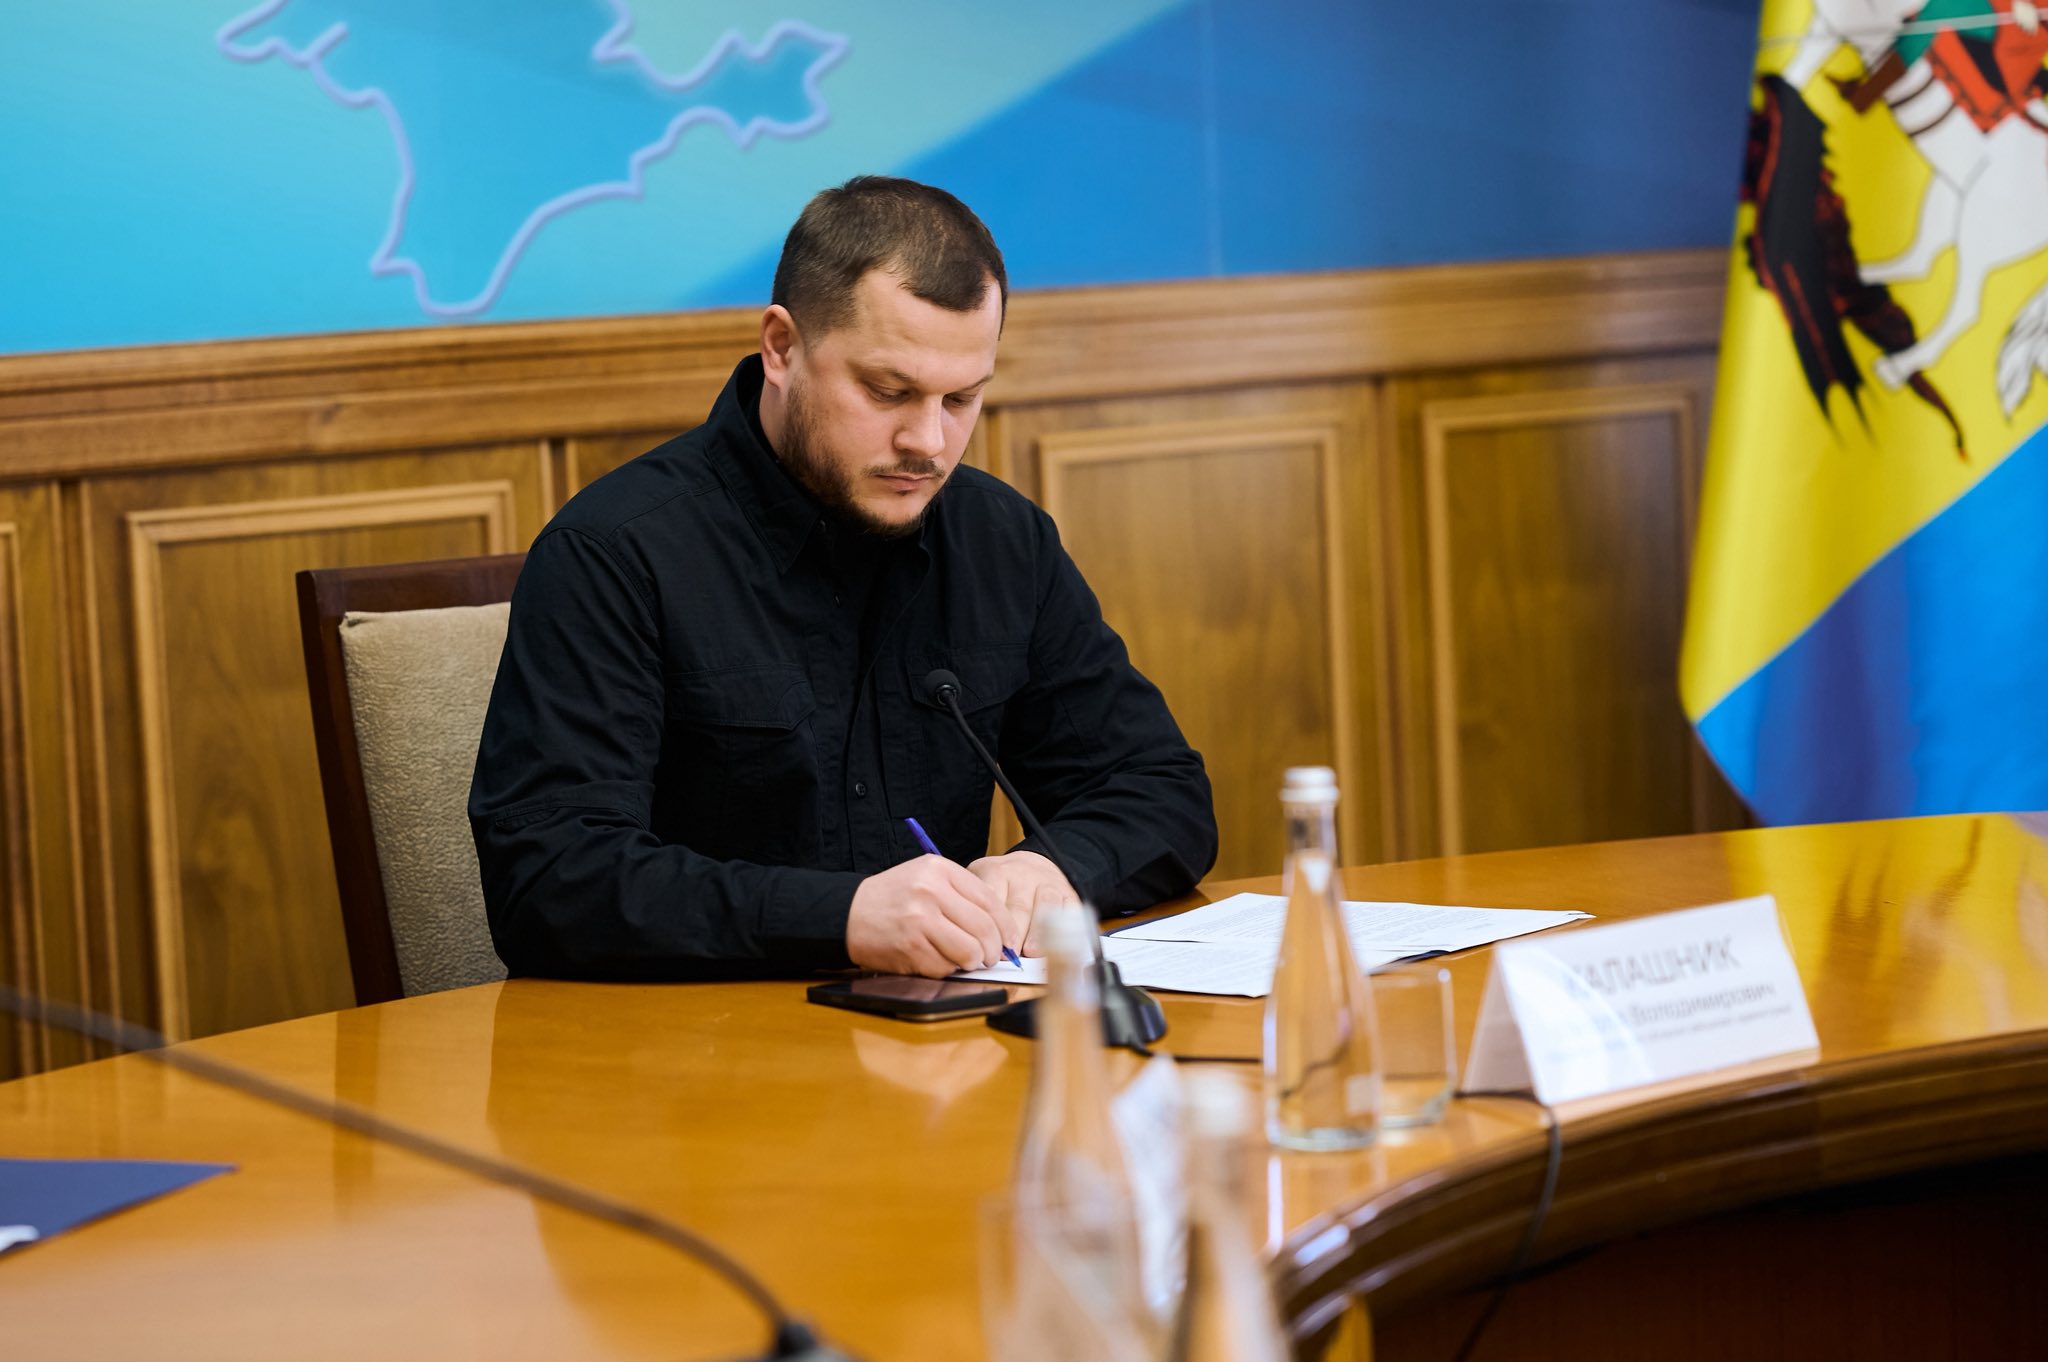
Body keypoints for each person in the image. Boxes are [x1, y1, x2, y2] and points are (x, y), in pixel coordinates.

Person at [469, 176, 1218, 982]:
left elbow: (1160, 788)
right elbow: (550, 877)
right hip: (696, 1044)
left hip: (943, 1035)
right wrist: (843, 917)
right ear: (781, 348)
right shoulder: (614, 553)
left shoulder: (1002, 540)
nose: (928, 441)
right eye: (889, 392)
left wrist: (1054, 867)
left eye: (961, 399)